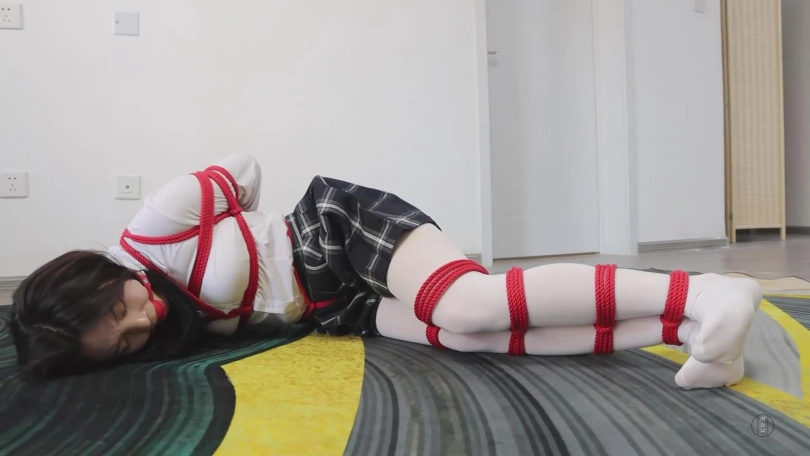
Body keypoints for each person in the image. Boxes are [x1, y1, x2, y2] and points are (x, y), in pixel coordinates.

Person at [10, 154, 762, 388]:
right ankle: (687, 330)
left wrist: (253, 230)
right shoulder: (165, 324)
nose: (142, 322)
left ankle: (706, 290)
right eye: (124, 343)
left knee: (465, 306)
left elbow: (244, 170)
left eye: (119, 310)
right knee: (463, 338)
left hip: (329, 231)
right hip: (335, 310)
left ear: (92, 277)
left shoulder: (156, 225)